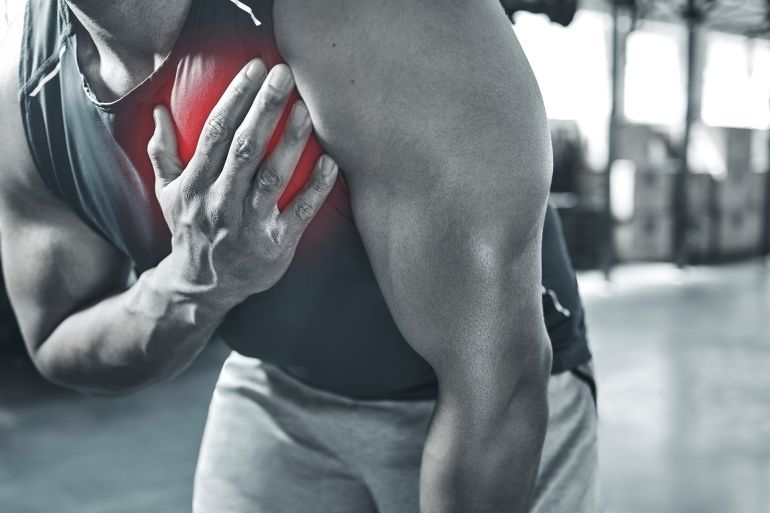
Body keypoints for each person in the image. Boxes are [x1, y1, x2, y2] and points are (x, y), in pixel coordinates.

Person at [0, 0, 596, 511]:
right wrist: (191, 284)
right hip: (277, 381)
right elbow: (56, 340)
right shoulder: (27, 99)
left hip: (470, 400)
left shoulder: (381, 19)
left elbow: (498, 388)